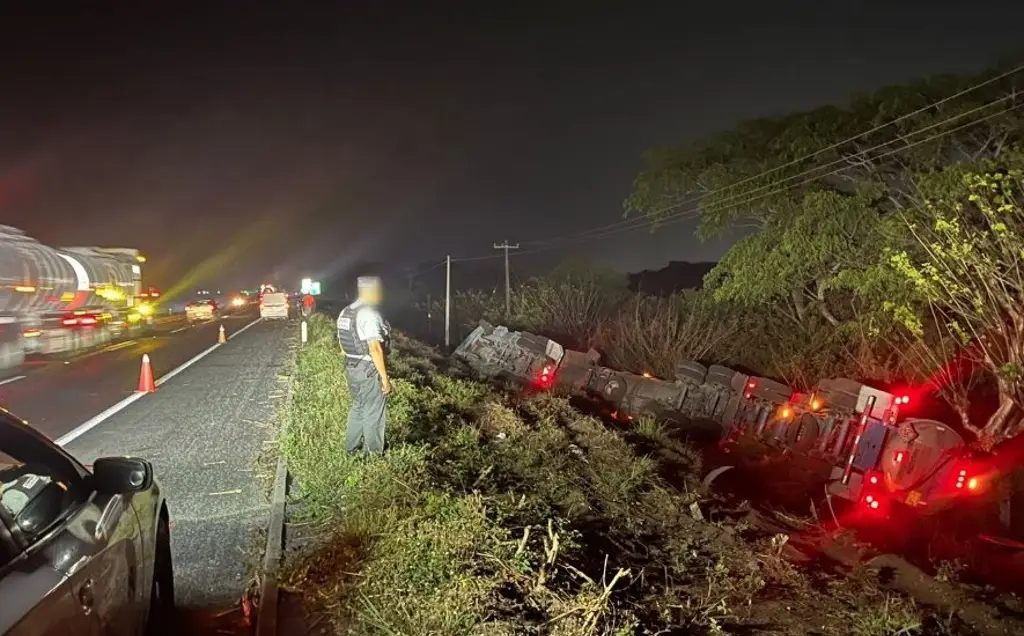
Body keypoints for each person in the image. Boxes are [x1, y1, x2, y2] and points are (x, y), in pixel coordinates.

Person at [336, 276, 392, 455]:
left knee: (359, 406)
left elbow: (342, 344)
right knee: (373, 411)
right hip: (368, 370)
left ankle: (350, 449)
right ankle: (373, 456)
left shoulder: (345, 312)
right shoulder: (368, 313)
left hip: (351, 368)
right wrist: (384, 378)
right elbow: (374, 348)